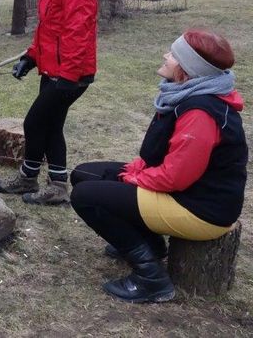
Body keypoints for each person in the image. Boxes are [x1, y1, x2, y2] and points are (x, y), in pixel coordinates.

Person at [70, 29, 247, 303]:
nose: (166, 56)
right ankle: (151, 245)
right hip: (185, 191)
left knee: (86, 197)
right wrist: (135, 170)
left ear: (187, 69)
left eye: (174, 55)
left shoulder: (201, 113)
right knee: (84, 174)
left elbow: (174, 178)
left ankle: (151, 278)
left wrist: (133, 179)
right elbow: (162, 155)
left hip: (201, 209)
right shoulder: (186, 94)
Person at [0, 0, 97, 205]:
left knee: (35, 123)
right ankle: (51, 184)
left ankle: (39, 180)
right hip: (54, 68)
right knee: (50, 125)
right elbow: (49, 29)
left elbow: (79, 30)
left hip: (69, 73)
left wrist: (69, 76)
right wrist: (31, 57)